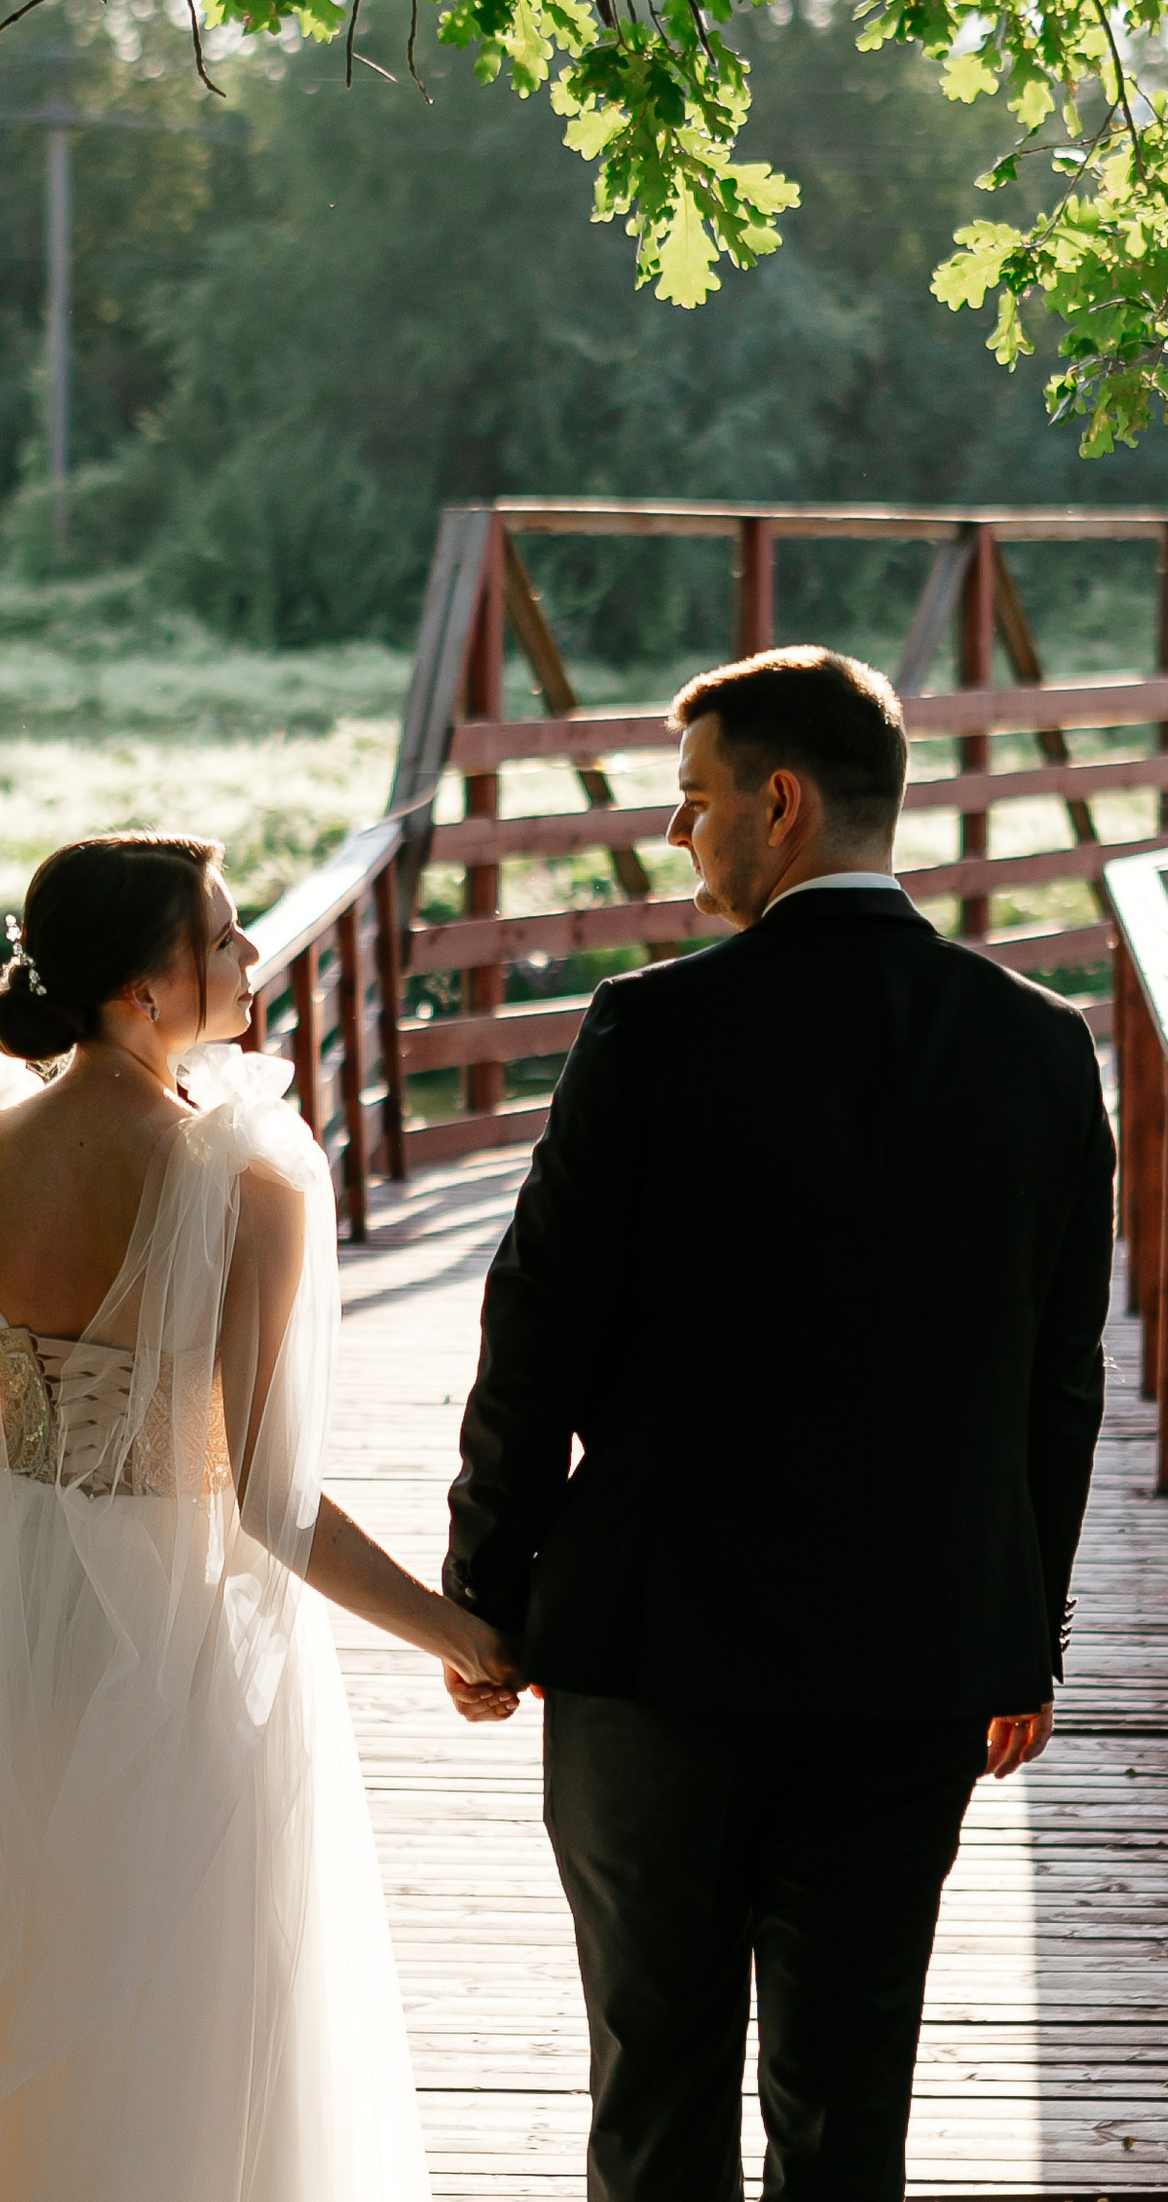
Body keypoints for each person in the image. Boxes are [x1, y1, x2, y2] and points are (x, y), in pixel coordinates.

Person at [0, 832, 521, 2202]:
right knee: (163, 2020)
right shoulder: (239, 1178)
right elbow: (267, 1498)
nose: (253, 960)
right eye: (229, 936)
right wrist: (457, 1631)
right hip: (161, 1640)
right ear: (146, 985)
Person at [442, 646, 1113, 2202]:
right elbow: (1059, 1375)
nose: (683, 841)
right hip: (919, 1657)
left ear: (782, 804)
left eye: (693, 806)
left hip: (660, 1652)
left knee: (658, 2086)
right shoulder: (1035, 1046)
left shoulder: (650, 1030)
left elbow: (533, 1335)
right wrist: (1025, 1639)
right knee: (847, 2106)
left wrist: (489, 1591)